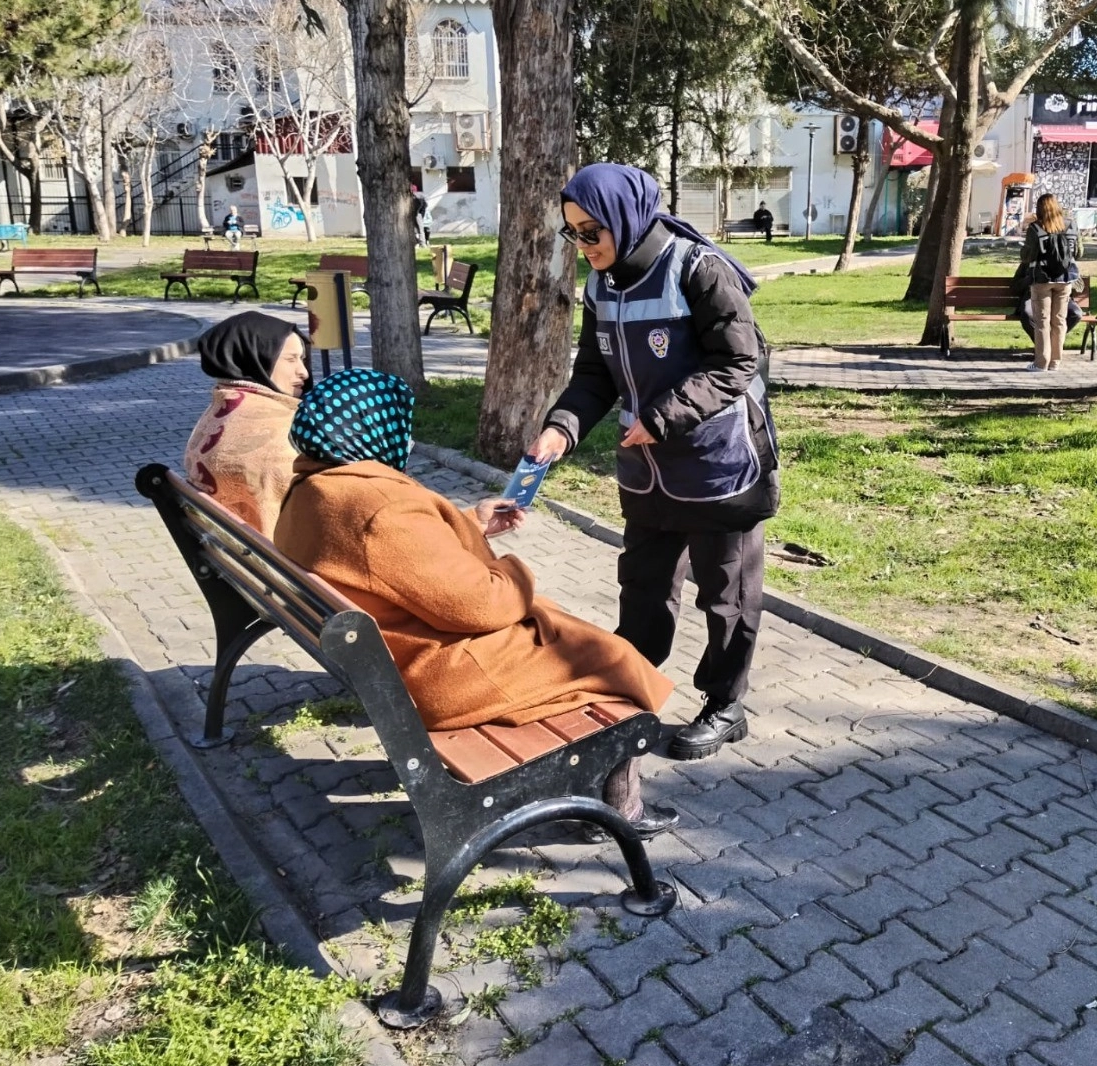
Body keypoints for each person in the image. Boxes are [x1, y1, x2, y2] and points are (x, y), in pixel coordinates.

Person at [275, 368, 679, 840]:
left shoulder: (317, 488)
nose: (405, 435)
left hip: (397, 656)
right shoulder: (380, 508)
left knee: (573, 635)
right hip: (438, 676)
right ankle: (618, 811)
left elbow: (401, 562)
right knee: (613, 661)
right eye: (400, 423)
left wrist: (472, 522)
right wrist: (514, 570)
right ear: (372, 427)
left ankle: (603, 792)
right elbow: (482, 604)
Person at [528, 163, 780, 763]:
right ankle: (631, 688)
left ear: (625, 219)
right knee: (643, 587)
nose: (584, 246)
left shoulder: (699, 270)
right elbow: (593, 374)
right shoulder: (601, 286)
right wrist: (561, 428)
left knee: (726, 594)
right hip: (648, 473)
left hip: (719, 465)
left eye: (593, 231)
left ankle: (726, 705)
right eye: (574, 233)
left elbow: (737, 362)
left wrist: (665, 416)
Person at [184, 312, 310, 534]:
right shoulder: (280, 431)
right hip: (276, 561)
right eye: (291, 359)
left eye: (303, 359)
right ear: (257, 357)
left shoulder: (221, 411)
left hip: (235, 554)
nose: (304, 372)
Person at [1021, 193, 1079, 373]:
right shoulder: (1071, 225)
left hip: (1042, 278)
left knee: (1042, 321)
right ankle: (1055, 362)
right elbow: (1079, 253)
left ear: (1039, 209)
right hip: (1065, 278)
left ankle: (1041, 363)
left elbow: (1027, 256)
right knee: (1059, 320)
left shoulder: (1036, 228)